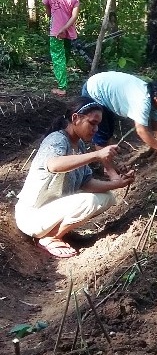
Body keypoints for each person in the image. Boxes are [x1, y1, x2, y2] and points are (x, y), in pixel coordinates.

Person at [15, 97, 134, 258]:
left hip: (49, 214)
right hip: (31, 216)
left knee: (107, 197)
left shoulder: (80, 145)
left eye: (98, 124)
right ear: (75, 118)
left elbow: (86, 183)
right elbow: (54, 165)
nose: (96, 129)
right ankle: (50, 237)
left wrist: (117, 183)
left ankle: (55, 231)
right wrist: (96, 155)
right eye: (92, 123)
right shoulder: (56, 139)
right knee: (90, 201)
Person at [82, 71, 157, 180]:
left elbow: (156, 125)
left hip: (104, 88)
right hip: (95, 91)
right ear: (156, 95)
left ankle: (109, 163)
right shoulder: (142, 100)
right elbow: (142, 131)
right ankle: (109, 170)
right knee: (101, 134)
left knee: (108, 130)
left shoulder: (153, 98)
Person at [42, 0, 80, 97]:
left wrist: (60, 27)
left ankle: (62, 88)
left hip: (56, 32)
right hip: (69, 33)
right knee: (64, 58)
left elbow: (48, 11)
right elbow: (74, 17)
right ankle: (62, 80)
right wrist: (65, 28)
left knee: (58, 59)